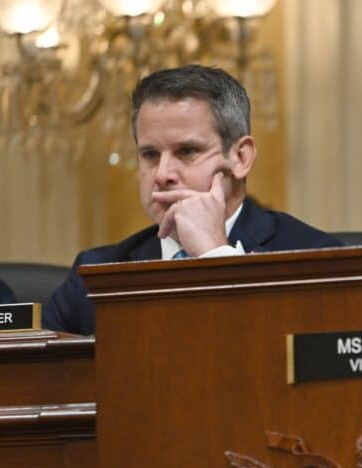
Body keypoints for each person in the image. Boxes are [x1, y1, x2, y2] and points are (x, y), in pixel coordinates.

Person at [44, 65, 342, 335]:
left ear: (240, 158)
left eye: (187, 151)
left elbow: (292, 362)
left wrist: (215, 255)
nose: (162, 174)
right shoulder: (94, 274)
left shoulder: (314, 259)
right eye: (150, 155)